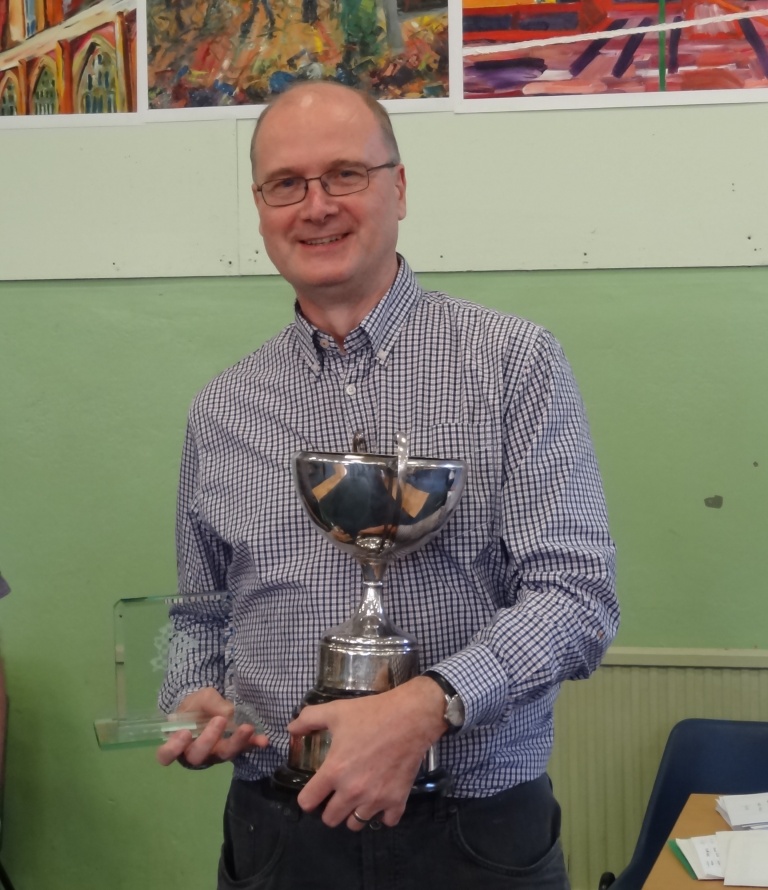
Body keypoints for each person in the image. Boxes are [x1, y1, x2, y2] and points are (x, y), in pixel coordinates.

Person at [157, 81, 619, 890]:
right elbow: (198, 613)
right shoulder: (222, 408)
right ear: (260, 208)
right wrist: (191, 690)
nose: (316, 206)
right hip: (277, 834)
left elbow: (578, 597)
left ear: (398, 188)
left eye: (345, 175)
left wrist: (424, 706)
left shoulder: (514, 364)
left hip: (471, 839)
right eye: (285, 184)